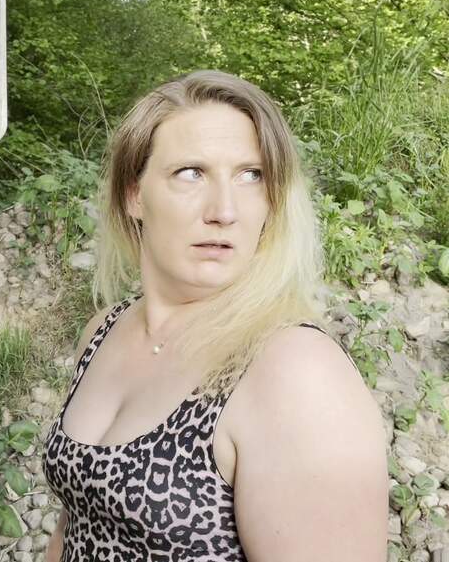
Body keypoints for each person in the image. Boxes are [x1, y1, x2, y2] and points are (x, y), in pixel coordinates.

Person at [41, 70, 388, 561]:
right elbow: (75, 519)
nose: (224, 210)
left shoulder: (294, 369)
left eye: (251, 175)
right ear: (134, 194)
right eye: (191, 173)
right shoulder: (104, 330)